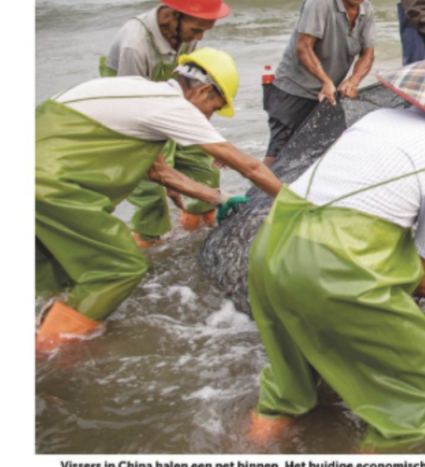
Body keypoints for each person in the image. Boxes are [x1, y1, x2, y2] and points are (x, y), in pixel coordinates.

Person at [245, 48, 425, 450]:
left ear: (420, 96)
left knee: (285, 393)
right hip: (329, 267)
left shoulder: (376, 119)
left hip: (271, 247)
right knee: (422, 392)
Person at [36, 48, 283, 352]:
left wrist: (221, 199)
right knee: (120, 267)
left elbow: (160, 172)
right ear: (203, 91)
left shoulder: (136, 92)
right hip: (52, 187)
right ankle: (50, 356)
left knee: (57, 273)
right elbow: (248, 166)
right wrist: (296, 204)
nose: (209, 117)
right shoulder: (173, 106)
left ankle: (49, 330)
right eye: (213, 108)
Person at [100, 0, 232, 246]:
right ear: (173, 15)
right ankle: (148, 253)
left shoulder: (188, 35)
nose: (200, 37)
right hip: (133, 118)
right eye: (196, 29)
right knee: (153, 194)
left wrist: (207, 136)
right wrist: (166, 172)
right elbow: (132, 112)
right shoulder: (134, 46)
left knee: (205, 167)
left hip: (170, 103)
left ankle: (197, 227)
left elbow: (195, 90)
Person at [262, 0, 380, 166]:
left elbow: (368, 53)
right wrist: (326, 81)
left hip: (327, 94)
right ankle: (255, 197)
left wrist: (353, 81)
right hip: (293, 91)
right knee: (280, 152)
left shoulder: (367, 9)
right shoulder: (321, 2)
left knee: (318, 151)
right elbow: (304, 48)